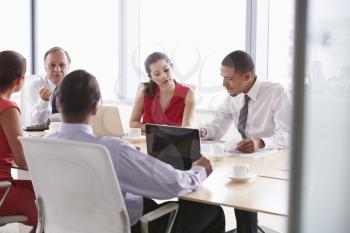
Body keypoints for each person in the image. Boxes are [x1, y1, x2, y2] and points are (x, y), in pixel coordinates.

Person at [49, 69, 225, 233]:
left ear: (58, 103)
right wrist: (199, 171)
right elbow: (173, 185)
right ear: (96, 107)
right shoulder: (111, 150)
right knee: (210, 210)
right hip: (122, 227)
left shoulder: (43, 146)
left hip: (68, 225)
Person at [200, 50, 291, 233]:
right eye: (222, 77)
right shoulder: (233, 95)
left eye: (229, 79)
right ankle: (246, 229)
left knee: (240, 187)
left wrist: (260, 142)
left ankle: (247, 229)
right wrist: (204, 131)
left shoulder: (276, 93)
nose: (224, 84)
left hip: (275, 162)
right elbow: (217, 125)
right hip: (247, 160)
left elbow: (288, 135)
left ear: (247, 76)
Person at [0, 50, 37, 232]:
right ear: (19, 80)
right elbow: (23, 161)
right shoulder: (7, 108)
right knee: (51, 202)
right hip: (2, 191)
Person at [129, 52, 195, 131]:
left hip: (174, 141)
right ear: (151, 77)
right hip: (146, 142)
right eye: (157, 74)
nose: (164, 76)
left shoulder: (188, 93)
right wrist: (154, 129)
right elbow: (133, 122)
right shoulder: (144, 92)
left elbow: (187, 127)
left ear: (172, 67)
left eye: (166, 70)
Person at [28, 47, 71, 124]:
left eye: (62, 65)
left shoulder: (77, 86)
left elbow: (80, 118)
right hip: (41, 135)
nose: (57, 69)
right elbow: (38, 121)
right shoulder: (35, 86)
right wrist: (43, 101)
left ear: (68, 67)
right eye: (52, 65)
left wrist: (50, 119)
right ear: (45, 67)